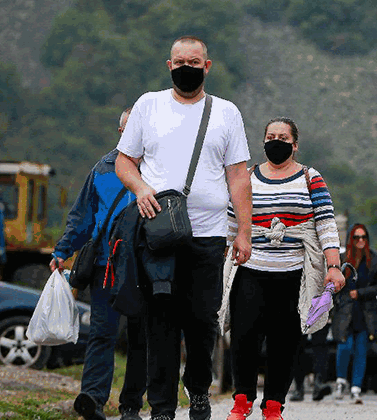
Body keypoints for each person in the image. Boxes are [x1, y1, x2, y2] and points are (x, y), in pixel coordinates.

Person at [116, 36, 254, 420]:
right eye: (180, 61)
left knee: (201, 320)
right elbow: (124, 162)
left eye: (194, 61)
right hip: (158, 234)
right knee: (160, 321)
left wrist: (244, 231)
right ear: (169, 65)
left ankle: (198, 390)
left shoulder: (226, 112)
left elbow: (239, 175)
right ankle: (161, 406)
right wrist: (141, 186)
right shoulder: (149, 105)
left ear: (207, 66)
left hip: (208, 235)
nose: (186, 67)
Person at [223, 117, 344, 420]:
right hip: (250, 268)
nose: (276, 141)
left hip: (294, 273)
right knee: (243, 337)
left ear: (295, 144)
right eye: (271, 136)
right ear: (263, 141)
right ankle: (242, 400)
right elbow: (229, 223)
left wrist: (334, 266)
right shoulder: (246, 177)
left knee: (285, 341)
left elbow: (326, 224)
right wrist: (222, 259)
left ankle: (274, 404)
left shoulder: (310, 178)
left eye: (283, 137)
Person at [50, 109, 148, 420]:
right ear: (121, 131)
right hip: (106, 266)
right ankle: (92, 399)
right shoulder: (103, 168)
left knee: (140, 338)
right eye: (129, 127)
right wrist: (63, 250)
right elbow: (83, 216)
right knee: (102, 334)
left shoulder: (162, 168)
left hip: (146, 269)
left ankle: (131, 405)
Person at [331, 223, 377, 404]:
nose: (360, 241)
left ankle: (356, 388)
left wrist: (361, 293)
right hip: (345, 309)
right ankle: (340, 382)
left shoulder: (376, 260)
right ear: (351, 240)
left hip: (366, 310)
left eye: (363, 237)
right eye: (356, 237)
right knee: (344, 346)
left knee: (361, 350)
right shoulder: (342, 259)